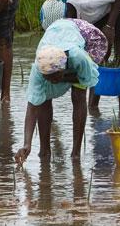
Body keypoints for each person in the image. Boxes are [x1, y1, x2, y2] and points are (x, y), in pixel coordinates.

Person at [40, 0, 120, 109]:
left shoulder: (86, 1)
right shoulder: (67, 13)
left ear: (66, 16)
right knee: (96, 56)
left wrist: (110, 26)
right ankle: (93, 107)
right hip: (102, 8)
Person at [14, 18, 107, 164]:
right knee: (42, 98)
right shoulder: (38, 68)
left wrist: (68, 78)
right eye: (48, 78)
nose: (52, 81)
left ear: (63, 69)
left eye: (55, 77)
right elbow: (32, 107)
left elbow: (88, 80)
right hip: (55, 35)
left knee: (78, 95)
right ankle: (44, 151)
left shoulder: (79, 58)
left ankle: (75, 153)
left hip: (83, 34)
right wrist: (27, 143)